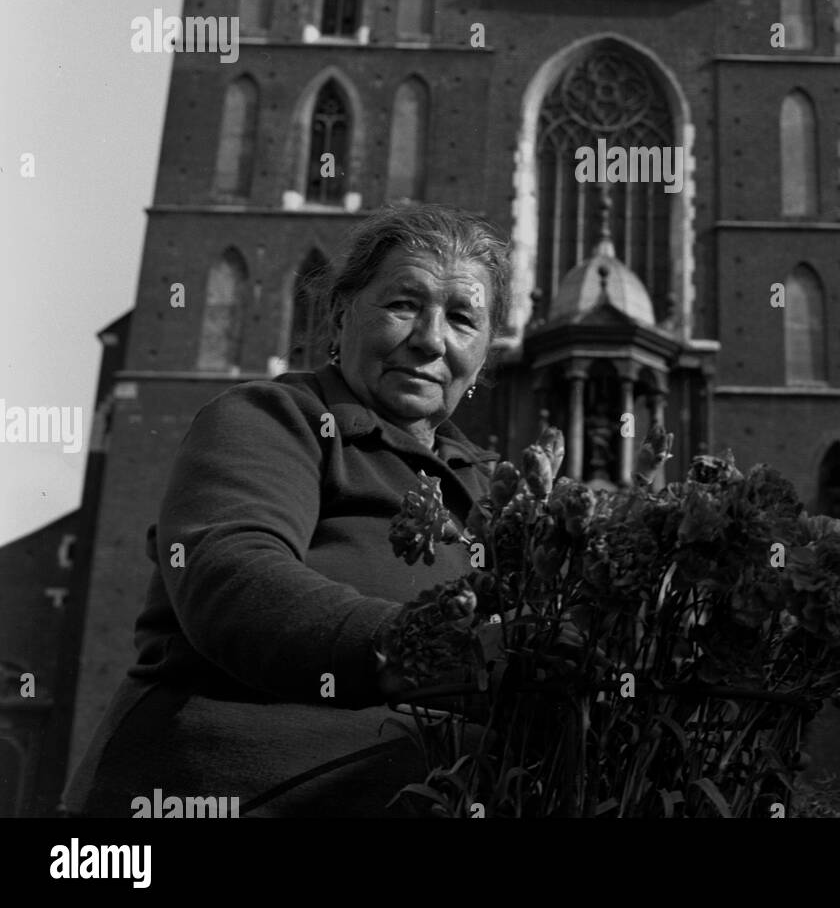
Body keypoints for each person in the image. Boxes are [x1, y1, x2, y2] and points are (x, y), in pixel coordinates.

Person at [64, 203, 511, 817]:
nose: (431, 338)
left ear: (484, 354)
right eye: (403, 305)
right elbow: (232, 582)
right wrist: (441, 650)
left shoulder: (494, 486)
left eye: (461, 319)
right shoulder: (272, 418)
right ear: (339, 314)